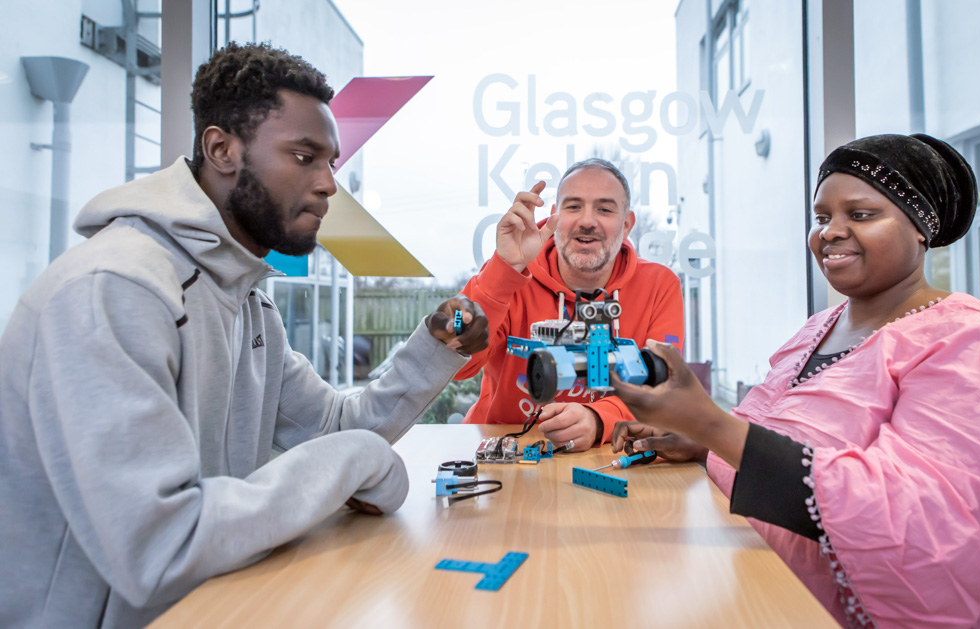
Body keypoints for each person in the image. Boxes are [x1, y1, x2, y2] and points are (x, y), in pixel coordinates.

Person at [0, 43, 488, 628]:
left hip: (217, 607)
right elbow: (161, 548)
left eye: (331, 162)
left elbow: (337, 430)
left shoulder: (246, 301)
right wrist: (357, 458)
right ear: (222, 150)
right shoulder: (113, 290)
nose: (329, 184)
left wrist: (433, 349)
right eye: (304, 156)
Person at [610, 134, 980, 627]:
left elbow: (927, 529)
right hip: (784, 602)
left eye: (861, 214)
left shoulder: (976, 342)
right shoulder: (815, 331)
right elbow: (776, 453)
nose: (830, 232)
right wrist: (704, 442)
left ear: (920, 229)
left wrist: (712, 426)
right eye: (821, 217)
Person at [454, 158, 683, 451]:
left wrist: (600, 419)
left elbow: (668, 386)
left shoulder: (659, 286)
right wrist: (503, 269)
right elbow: (459, 363)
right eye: (573, 207)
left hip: (605, 451)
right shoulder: (509, 273)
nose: (587, 221)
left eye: (604, 209)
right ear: (553, 218)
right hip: (505, 449)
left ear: (626, 225)